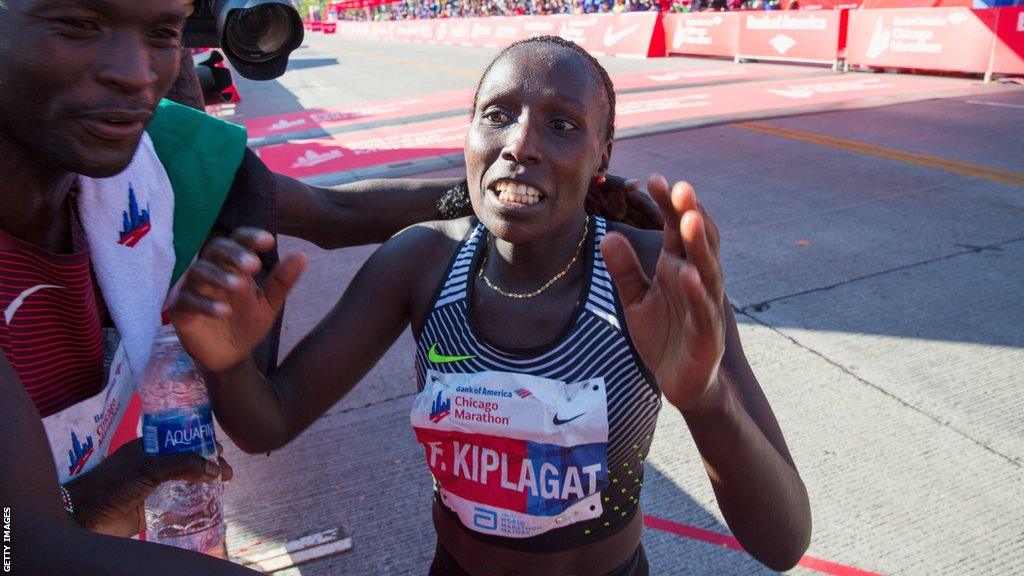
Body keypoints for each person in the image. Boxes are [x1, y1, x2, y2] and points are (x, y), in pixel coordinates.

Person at [0, 0, 658, 571]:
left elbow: (335, 213)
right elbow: (20, 547)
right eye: (79, 21)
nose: (136, 72)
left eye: (162, 32)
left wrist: (527, 196)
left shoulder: (160, 150)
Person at [172, 36, 812, 575]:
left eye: (562, 124)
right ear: (470, 134)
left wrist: (706, 401)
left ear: (603, 154)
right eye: (497, 115)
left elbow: (782, 543)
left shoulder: (653, 279)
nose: (521, 143)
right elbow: (267, 421)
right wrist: (228, 365)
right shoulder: (420, 261)